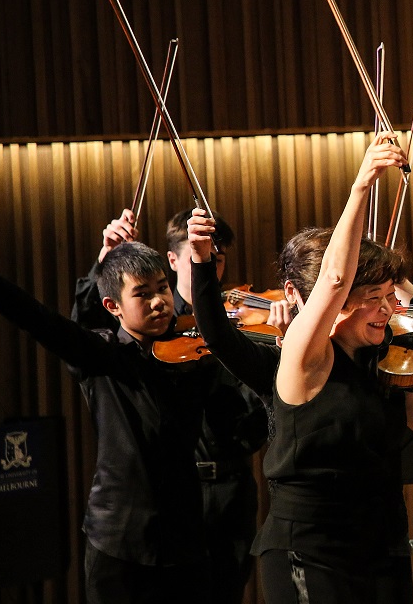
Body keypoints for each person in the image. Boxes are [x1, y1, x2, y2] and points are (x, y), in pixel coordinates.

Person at [189, 131, 413, 602]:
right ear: (340, 306)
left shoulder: (390, 367)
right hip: (310, 550)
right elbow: (334, 278)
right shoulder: (304, 357)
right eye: (372, 300)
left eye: (390, 298)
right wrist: (363, 182)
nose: (388, 309)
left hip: (382, 549)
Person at [0, 242, 215, 602]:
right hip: (119, 540)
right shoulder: (101, 354)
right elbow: (36, 318)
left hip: (185, 537)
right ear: (114, 307)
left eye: (162, 288)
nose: (159, 301)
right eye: (142, 294)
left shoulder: (191, 348)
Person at [73, 208, 270, 604]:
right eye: (202, 257)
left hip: (228, 488)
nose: (157, 300)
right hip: (166, 501)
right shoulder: (135, 342)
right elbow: (85, 334)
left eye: (217, 258)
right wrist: (104, 263)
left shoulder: (224, 326)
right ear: (175, 259)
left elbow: (251, 418)